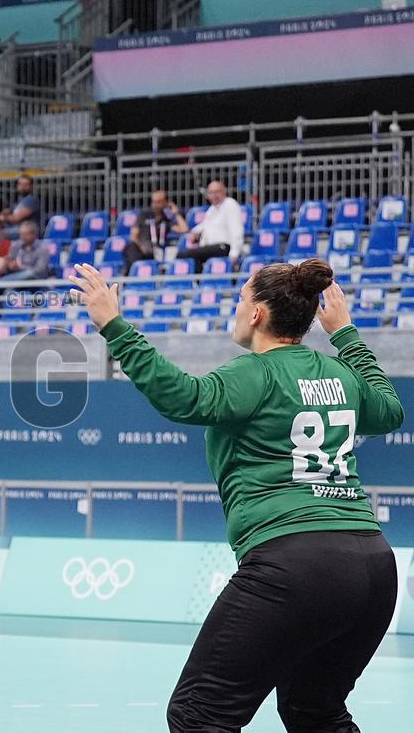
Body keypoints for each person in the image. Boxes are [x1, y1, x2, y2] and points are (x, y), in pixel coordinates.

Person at [68, 259, 403, 733]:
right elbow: (389, 410)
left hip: (296, 565)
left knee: (198, 714)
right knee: (315, 712)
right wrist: (345, 333)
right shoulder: (339, 375)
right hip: (373, 566)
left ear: (256, 315)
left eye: (241, 299)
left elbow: (184, 397)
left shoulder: (256, 373)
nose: (236, 308)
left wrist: (114, 326)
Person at [178, 180, 244, 272]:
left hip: (223, 247)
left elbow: (236, 230)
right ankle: (199, 280)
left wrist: (234, 253)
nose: (214, 195)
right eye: (211, 193)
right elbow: (205, 225)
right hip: (212, 247)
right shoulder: (212, 209)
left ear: (224, 192)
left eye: (217, 192)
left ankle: (198, 281)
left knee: (187, 254)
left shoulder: (230, 204)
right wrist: (194, 233)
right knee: (184, 254)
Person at [127, 189, 189, 274]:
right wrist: (142, 247)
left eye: (159, 202)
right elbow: (133, 236)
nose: (155, 205)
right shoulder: (144, 215)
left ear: (166, 202)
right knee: (130, 247)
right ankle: (133, 275)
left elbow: (184, 230)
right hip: (142, 250)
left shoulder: (166, 219)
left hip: (157, 252)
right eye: (153, 202)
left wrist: (176, 213)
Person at [0, 175, 40, 239]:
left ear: (31, 186)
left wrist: (3, 217)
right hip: (15, 228)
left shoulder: (31, 200)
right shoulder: (19, 201)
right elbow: (6, 211)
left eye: (26, 184)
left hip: (27, 230)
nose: (22, 187)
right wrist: (2, 215)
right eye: (20, 184)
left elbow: (16, 218)